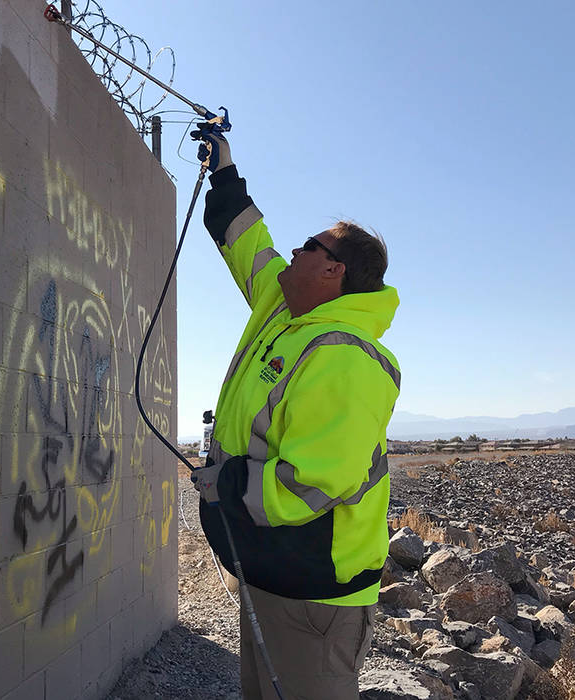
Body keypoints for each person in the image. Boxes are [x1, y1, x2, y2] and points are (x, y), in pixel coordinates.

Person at [189, 126, 401, 700]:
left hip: (316, 592)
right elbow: (247, 242)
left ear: (333, 272)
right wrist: (223, 169)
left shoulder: (348, 358)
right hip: (271, 570)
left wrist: (223, 484)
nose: (293, 251)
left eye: (309, 245)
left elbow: (312, 483)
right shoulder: (280, 308)